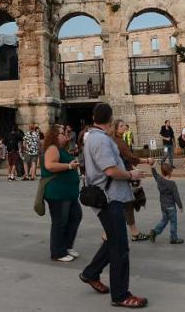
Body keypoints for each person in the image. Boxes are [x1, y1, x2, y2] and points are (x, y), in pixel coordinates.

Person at [79, 102, 147, 309]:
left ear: (94, 118)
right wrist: (131, 174)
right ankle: (120, 295)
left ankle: (90, 273)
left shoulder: (92, 137)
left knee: (113, 242)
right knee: (120, 248)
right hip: (109, 199)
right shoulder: (101, 140)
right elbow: (110, 170)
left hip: (108, 197)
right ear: (110, 119)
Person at [42, 124, 82, 262]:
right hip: (58, 193)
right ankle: (57, 252)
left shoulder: (61, 149)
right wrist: (69, 166)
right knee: (60, 221)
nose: (66, 134)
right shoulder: (52, 148)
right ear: (54, 135)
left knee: (75, 216)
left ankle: (66, 246)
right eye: (62, 133)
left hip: (67, 193)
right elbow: (50, 165)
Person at [111, 119, 154, 242]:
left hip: (122, 173)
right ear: (116, 128)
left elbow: (126, 159)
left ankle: (132, 232)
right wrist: (146, 161)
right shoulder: (118, 141)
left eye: (124, 125)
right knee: (122, 204)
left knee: (125, 204)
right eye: (121, 125)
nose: (125, 127)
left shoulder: (116, 140)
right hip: (122, 176)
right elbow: (130, 157)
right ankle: (108, 234)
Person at [148, 162, 184, 244]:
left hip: (163, 205)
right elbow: (176, 196)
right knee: (173, 222)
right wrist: (180, 206)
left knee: (164, 220)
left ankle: (154, 232)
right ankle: (173, 238)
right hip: (171, 206)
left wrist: (153, 167)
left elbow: (155, 174)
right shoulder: (172, 184)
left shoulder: (159, 180)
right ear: (170, 172)